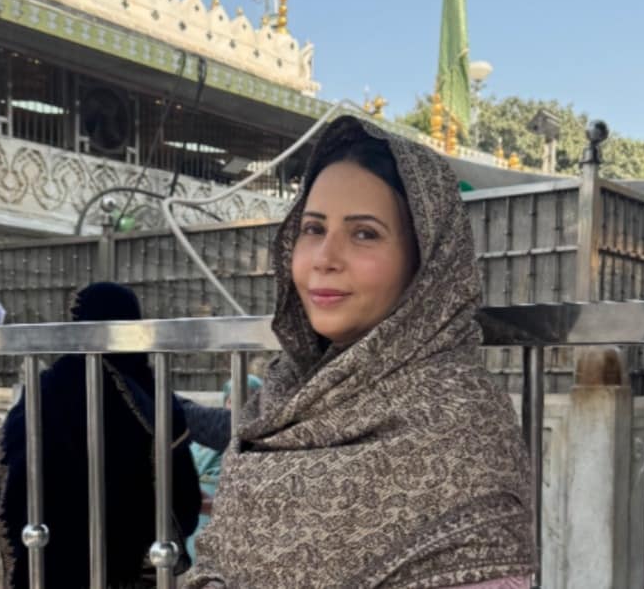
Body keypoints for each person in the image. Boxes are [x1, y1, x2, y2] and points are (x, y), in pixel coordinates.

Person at [186, 116, 535, 588]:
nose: (325, 257)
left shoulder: (460, 422)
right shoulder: (283, 397)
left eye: (364, 233)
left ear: (425, 263)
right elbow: (217, 557)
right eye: (312, 228)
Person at [0, 282, 201, 589]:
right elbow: (182, 497)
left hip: (46, 563)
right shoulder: (149, 397)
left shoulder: (45, 388)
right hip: (124, 567)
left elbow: (1, 457)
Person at [185, 374, 262, 565]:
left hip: (234, 529)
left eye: (248, 400)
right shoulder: (199, 441)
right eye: (231, 400)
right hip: (193, 527)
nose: (236, 407)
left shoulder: (260, 444)